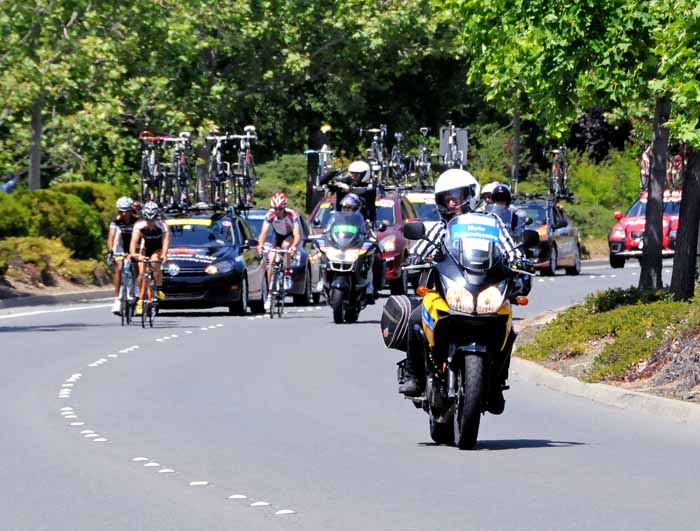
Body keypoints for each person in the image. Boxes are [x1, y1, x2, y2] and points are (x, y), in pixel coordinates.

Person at [398, 169, 531, 415]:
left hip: (483, 287)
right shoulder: (441, 228)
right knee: (416, 320)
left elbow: (510, 248)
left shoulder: (492, 224)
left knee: (508, 329)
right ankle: (414, 376)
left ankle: (497, 384)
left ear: (470, 195)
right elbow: (422, 247)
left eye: (456, 196)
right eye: (446, 198)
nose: (451, 203)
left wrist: (521, 261)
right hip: (449, 290)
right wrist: (417, 256)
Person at [256, 192, 302, 310]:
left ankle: (287, 274)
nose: (278, 211)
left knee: (286, 245)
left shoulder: (292, 214)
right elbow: (263, 233)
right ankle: (270, 294)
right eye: (276, 209)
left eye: (280, 209)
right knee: (270, 262)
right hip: (277, 236)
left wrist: (294, 246)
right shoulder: (270, 215)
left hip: (289, 235)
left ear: (284, 207)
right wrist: (260, 245)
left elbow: (297, 234)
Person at [129, 201, 170, 316]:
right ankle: (140, 301)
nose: (150, 223)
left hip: (157, 249)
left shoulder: (162, 226)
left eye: (152, 220)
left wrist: (164, 255)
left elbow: (165, 242)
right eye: (148, 220)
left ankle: (158, 288)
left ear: (156, 218)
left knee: (155, 261)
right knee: (142, 274)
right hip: (144, 248)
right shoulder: (139, 225)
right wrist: (133, 254)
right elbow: (134, 241)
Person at [106, 197, 139, 314]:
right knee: (119, 268)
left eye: (126, 210)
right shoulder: (116, 220)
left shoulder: (137, 220)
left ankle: (135, 289)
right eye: (121, 211)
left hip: (134, 245)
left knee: (136, 268)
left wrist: (136, 252)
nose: (124, 213)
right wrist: (111, 251)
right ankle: (117, 300)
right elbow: (111, 238)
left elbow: (141, 237)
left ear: (131, 210)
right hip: (120, 245)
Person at [328, 160, 377, 225]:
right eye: (352, 174)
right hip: (343, 225)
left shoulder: (371, 186)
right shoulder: (349, 181)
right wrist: (333, 182)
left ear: (364, 174)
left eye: (356, 175)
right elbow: (333, 181)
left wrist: (348, 188)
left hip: (364, 225)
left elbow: (361, 191)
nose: (353, 177)